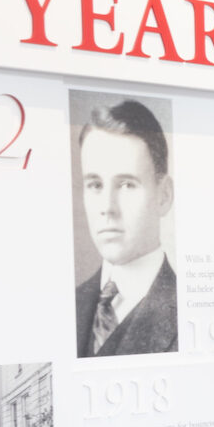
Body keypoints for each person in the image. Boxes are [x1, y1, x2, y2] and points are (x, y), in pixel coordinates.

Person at [73, 98, 178, 357]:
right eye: (95, 185)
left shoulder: (186, 310)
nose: (107, 207)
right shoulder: (70, 303)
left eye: (126, 185)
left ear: (163, 196)